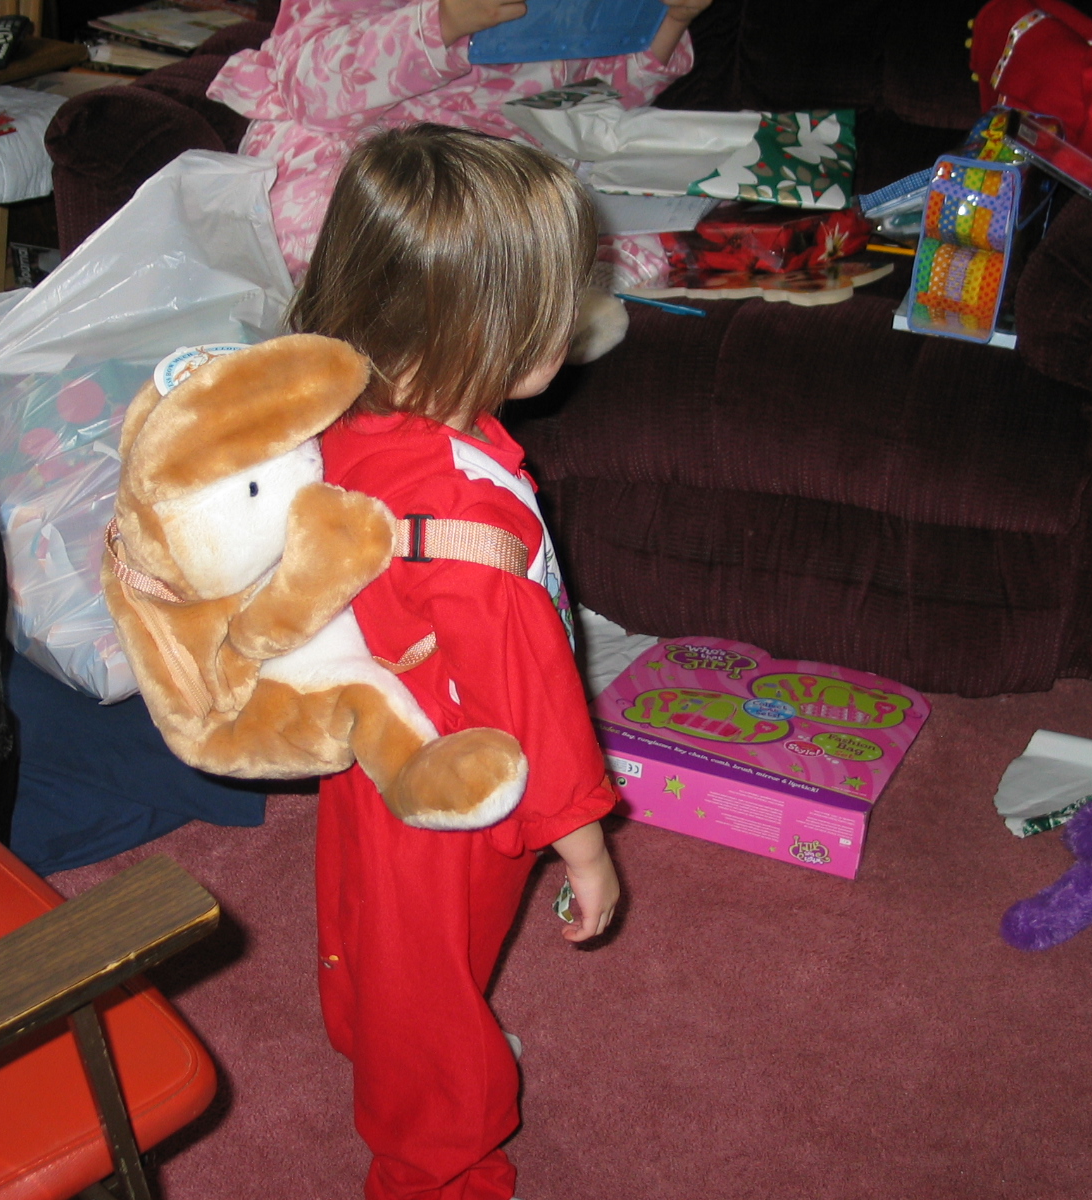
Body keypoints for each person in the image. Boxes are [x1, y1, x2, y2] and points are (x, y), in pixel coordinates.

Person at [288, 123, 621, 1200]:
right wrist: (585, 850)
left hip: (371, 746)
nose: (571, 323)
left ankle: (375, 1031)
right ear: (475, 332)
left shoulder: (344, 418)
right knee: (432, 981)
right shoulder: (474, 539)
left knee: (373, 936)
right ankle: (437, 1165)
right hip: (458, 792)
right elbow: (538, 707)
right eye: (552, 311)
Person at [210, 0, 716, 283]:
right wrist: (443, 22)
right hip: (352, 137)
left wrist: (669, 20)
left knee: (619, 245)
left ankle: (505, 313)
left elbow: (599, 98)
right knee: (356, 222)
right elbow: (313, 89)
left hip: (490, 154)